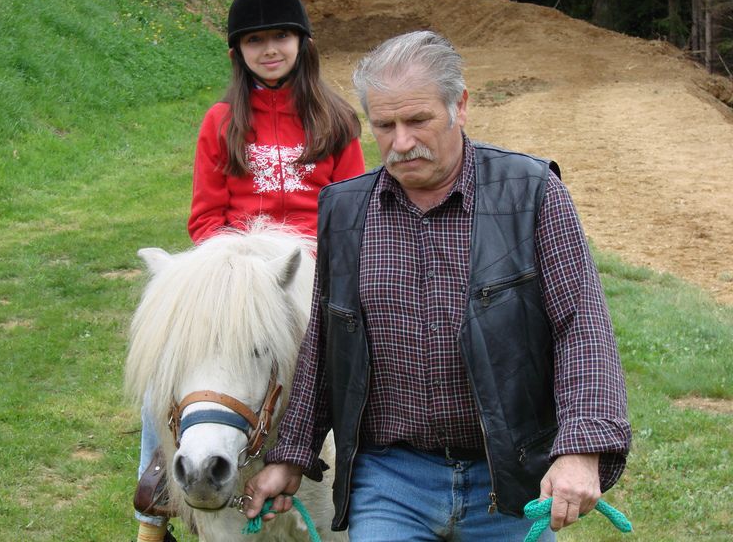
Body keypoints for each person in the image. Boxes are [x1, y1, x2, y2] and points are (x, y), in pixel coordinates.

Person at [243, 30, 632, 541]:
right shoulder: (343, 210)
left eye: (418, 120)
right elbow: (325, 343)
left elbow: (581, 329)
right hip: (389, 478)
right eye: (384, 125)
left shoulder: (533, 193)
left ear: (460, 106)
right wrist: (292, 454)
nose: (401, 143)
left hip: (508, 477)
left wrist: (581, 449)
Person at [133, 0, 364, 542]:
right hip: (236, 272)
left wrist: (313, 263)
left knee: (362, 361)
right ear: (238, 51)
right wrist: (235, 267)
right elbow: (206, 216)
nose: (269, 50)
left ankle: (370, 474)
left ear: (301, 42)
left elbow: (352, 207)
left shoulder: (335, 120)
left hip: (311, 268)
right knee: (161, 380)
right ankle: (154, 500)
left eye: (280, 37)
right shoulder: (221, 121)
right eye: (255, 40)